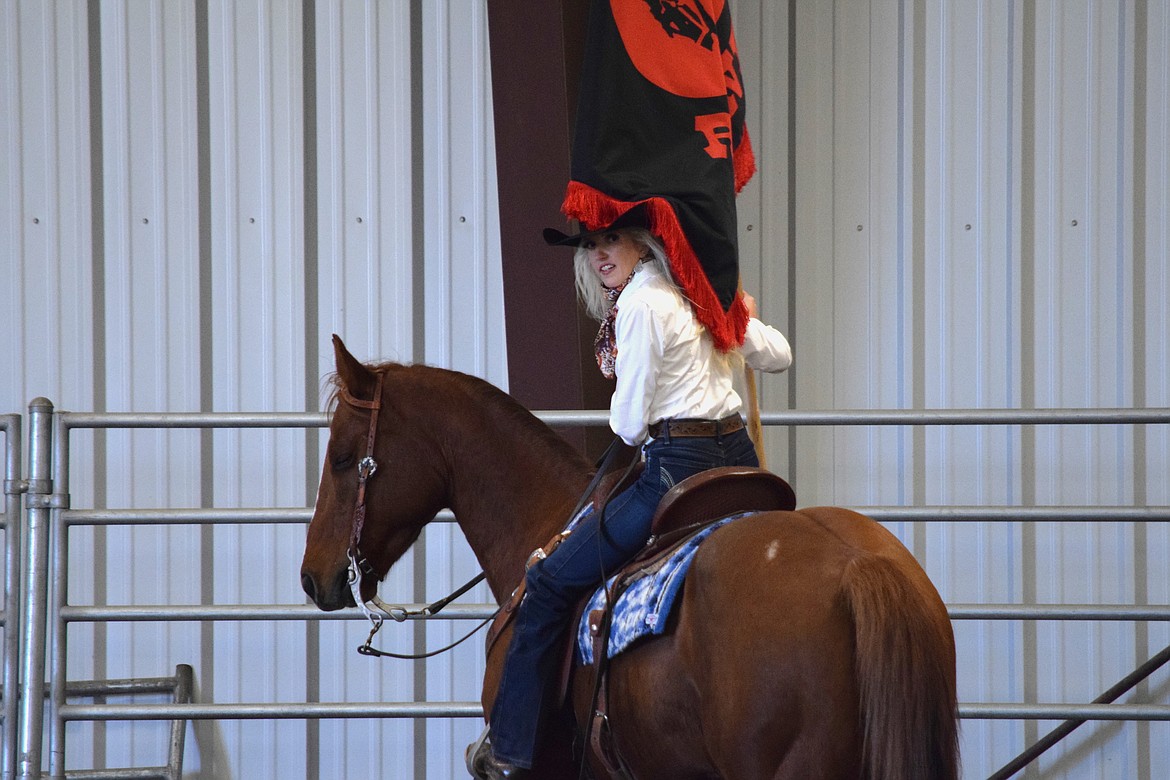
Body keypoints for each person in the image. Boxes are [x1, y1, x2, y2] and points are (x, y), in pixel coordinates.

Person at [471, 208, 792, 778]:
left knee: (546, 583)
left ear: (643, 243)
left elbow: (626, 425)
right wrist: (736, 315)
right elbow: (780, 357)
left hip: (677, 468)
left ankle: (513, 749)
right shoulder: (699, 293)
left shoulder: (642, 305)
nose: (599, 254)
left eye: (611, 238)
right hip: (740, 464)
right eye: (590, 245)